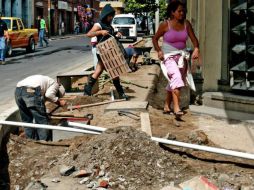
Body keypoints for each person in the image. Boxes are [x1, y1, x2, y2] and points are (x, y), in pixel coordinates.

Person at [152, 1, 199, 118]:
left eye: (184, 11)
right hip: (168, 57)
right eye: (179, 11)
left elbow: (194, 39)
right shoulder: (165, 25)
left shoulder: (186, 24)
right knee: (177, 78)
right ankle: (176, 108)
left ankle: (167, 105)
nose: (182, 13)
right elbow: (155, 39)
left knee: (174, 81)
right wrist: (159, 51)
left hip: (182, 57)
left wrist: (197, 48)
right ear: (172, 12)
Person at [85, 4, 128, 100]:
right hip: (104, 52)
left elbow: (109, 36)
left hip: (109, 52)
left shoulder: (108, 25)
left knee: (98, 71)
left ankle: (87, 91)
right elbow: (89, 34)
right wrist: (100, 32)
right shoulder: (99, 24)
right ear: (106, 15)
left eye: (112, 16)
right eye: (110, 16)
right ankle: (121, 93)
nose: (111, 18)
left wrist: (116, 34)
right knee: (114, 72)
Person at [15, 75, 66, 141]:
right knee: (42, 121)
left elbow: (45, 97)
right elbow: (49, 95)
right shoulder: (55, 85)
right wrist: (59, 102)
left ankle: (31, 142)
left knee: (27, 121)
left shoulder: (46, 82)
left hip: (18, 91)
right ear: (57, 92)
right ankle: (44, 143)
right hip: (31, 91)